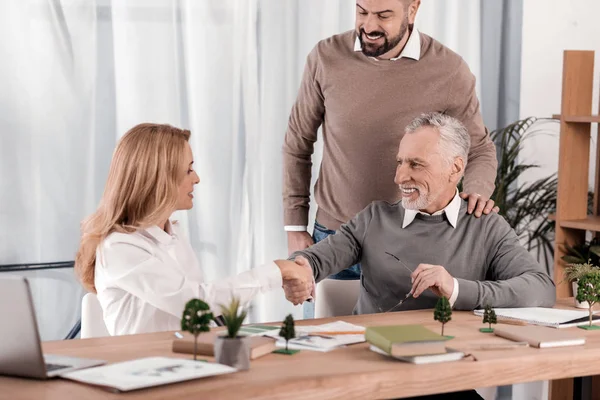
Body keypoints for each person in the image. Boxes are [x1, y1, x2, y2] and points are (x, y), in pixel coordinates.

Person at [282, 0, 500, 315]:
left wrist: (477, 191)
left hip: (408, 241)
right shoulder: (326, 57)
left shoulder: (449, 70)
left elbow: (478, 147)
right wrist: (294, 226)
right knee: (323, 349)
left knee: (404, 347)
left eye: (383, 15)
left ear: (412, 9)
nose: (369, 26)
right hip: (333, 234)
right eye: (361, 12)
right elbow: (298, 140)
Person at [278, 112, 555, 314]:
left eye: (416, 165)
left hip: (446, 370)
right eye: (400, 162)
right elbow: (317, 259)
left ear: (455, 169)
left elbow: (541, 288)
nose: (400, 177)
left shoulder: (486, 226)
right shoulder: (374, 219)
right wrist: (300, 270)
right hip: (374, 368)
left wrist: (455, 288)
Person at [75, 123, 312, 336]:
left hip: (185, 360)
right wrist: (278, 271)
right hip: (147, 370)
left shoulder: (173, 234)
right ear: (159, 179)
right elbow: (197, 303)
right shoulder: (119, 247)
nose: (196, 178)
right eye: (188, 170)